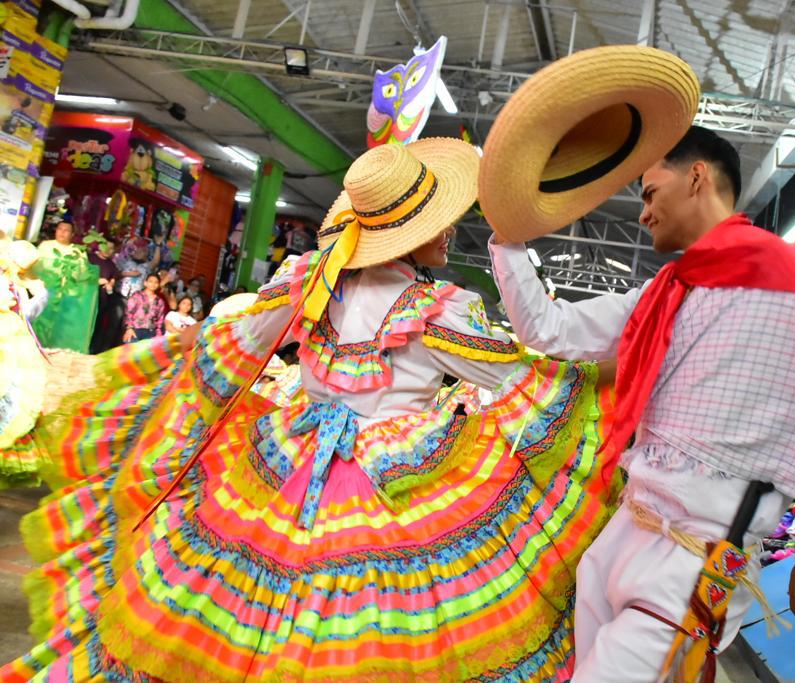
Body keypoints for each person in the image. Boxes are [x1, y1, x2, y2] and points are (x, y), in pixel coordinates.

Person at [1, 138, 618, 681]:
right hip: (388, 489)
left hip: (282, 468)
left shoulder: (311, 281)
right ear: (414, 231)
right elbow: (524, 380)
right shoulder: (438, 308)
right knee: (367, 628)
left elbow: (230, 348)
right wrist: (615, 375)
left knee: (241, 606)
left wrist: (172, 369)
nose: (450, 230)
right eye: (442, 220)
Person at [487, 126, 795, 681]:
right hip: (623, 535)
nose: (642, 214)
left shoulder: (783, 287)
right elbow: (547, 328)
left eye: (650, 193)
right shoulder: (665, 294)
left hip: (694, 561)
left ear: (696, 176)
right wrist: (506, 238)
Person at [0, 234, 49, 487]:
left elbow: (26, 315)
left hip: (14, 343)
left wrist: (39, 295)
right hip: (6, 341)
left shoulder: (17, 285)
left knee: (14, 392)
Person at [32, 221, 99, 353]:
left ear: (72, 234)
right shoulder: (45, 246)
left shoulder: (77, 251)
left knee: (59, 329)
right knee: (40, 323)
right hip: (45, 294)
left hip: (66, 298)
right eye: (60, 229)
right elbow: (36, 268)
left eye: (66, 230)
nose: (62, 232)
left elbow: (82, 275)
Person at [86, 235, 122, 354]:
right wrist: (96, 281)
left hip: (102, 301)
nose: (108, 250)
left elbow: (113, 279)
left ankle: (91, 349)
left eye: (112, 248)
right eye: (106, 247)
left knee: (97, 326)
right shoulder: (90, 258)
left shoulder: (111, 265)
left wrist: (110, 285)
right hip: (87, 298)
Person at [123, 272, 168, 342]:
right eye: (150, 281)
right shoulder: (137, 296)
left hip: (151, 332)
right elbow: (128, 313)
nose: (153, 284)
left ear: (159, 285)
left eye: (156, 282)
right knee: (132, 352)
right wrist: (129, 328)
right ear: (145, 283)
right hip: (135, 330)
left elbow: (160, 319)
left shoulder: (160, 301)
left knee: (146, 353)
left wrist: (158, 334)